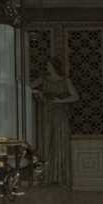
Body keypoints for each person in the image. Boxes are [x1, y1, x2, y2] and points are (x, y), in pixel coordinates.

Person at [32, 57, 78, 188]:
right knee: (46, 143)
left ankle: (60, 177)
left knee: (59, 142)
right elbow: (27, 87)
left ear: (55, 67)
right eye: (47, 66)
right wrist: (38, 93)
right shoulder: (43, 79)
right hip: (46, 115)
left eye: (49, 66)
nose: (47, 68)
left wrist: (60, 101)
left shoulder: (65, 80)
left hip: (60, 115)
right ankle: (45, 176)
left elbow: (75, 96)